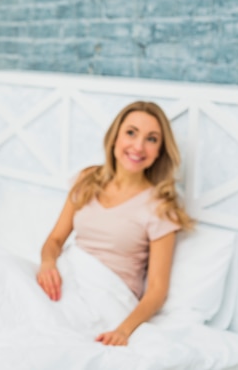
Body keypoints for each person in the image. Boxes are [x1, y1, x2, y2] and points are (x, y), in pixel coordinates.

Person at [36, 101, 193, 346]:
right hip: (67, 278)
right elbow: (55, 240)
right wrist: (47, 263)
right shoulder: (88, 179)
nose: (138, 146)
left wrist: (124, 330)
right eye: (131, 133)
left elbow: (156, 291)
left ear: (160, 150)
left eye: (151, 139)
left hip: (107, 297)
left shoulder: (161, 207)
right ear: (115, 137)